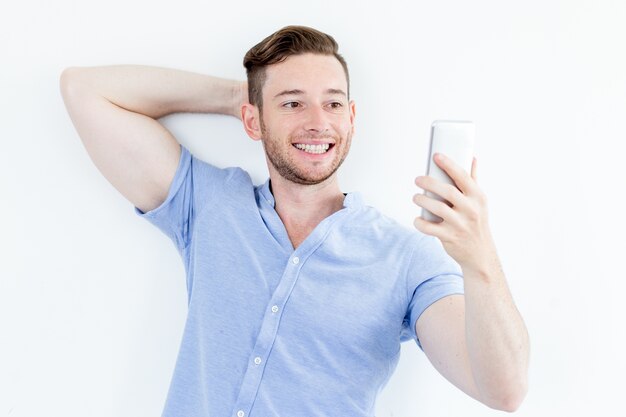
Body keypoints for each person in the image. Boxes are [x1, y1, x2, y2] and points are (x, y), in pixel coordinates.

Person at [60, 25, 529, 417]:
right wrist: (241, 96)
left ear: (351, 117)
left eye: (332, 103)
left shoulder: (406, 258)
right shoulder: (211, 206)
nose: (318, 122)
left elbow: (503, 391)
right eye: (292, 103)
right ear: (253, 121)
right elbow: (84, 90)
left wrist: (480, 258)